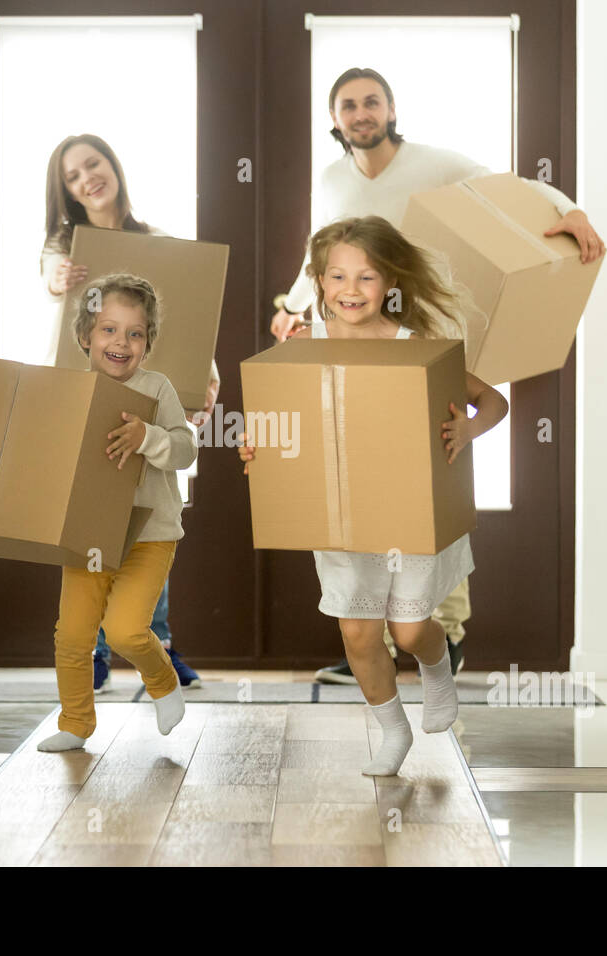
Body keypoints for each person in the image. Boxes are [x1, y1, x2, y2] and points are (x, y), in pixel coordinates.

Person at [270, 67, 606, 685]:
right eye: (348, 105)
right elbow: (318, 255)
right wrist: (293, 309)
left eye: (372, 102)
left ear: (391, 109)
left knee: (432, 465)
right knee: (362, 471)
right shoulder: (331, 178)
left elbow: (518, 187)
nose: (361, 113)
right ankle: (365, 638)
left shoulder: (433, 164)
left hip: (418, 326)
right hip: (352, 335)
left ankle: (445, 637)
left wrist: (572, 211)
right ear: (336, 118)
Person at [241, 216, 508, 775]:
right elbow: (278, 419)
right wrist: (258, 446)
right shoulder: (304, 346)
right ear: (318, 283)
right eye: (336, 276)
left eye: (365, 277)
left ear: (390, 283)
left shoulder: (417, 348)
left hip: (408, 514)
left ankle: (436, 669)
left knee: (408, 629)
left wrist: (466, 431)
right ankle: (392, 731)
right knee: (359, 632)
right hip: (342, 514)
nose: (349, 290)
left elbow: (494, 403)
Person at [40, 133, 217, 692]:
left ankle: (155, 641)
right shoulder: (63, 247)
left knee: (149, 514)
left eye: (93, 164)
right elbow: (50, 279)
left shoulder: (156, 243)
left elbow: (186, 319)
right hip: (82, 393)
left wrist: (205, 380)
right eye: (72, 175)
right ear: (65, 191)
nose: (87, 177)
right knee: (90, 516)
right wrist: (58, 277)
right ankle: (91, 648)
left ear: (112, 167)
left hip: (140, 393)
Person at [38, 273, 196, 752]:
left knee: (126, 630)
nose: (121, 342)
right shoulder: (71, 389)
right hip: (89, 533)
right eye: (108, 329)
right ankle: (76, 723)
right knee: (73, 635)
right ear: (85, 336)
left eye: (134, 332)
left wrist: (147, 437)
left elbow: (186, 449)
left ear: (147, 342)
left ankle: (163, 682)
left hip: (150, 533)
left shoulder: (157, 388)